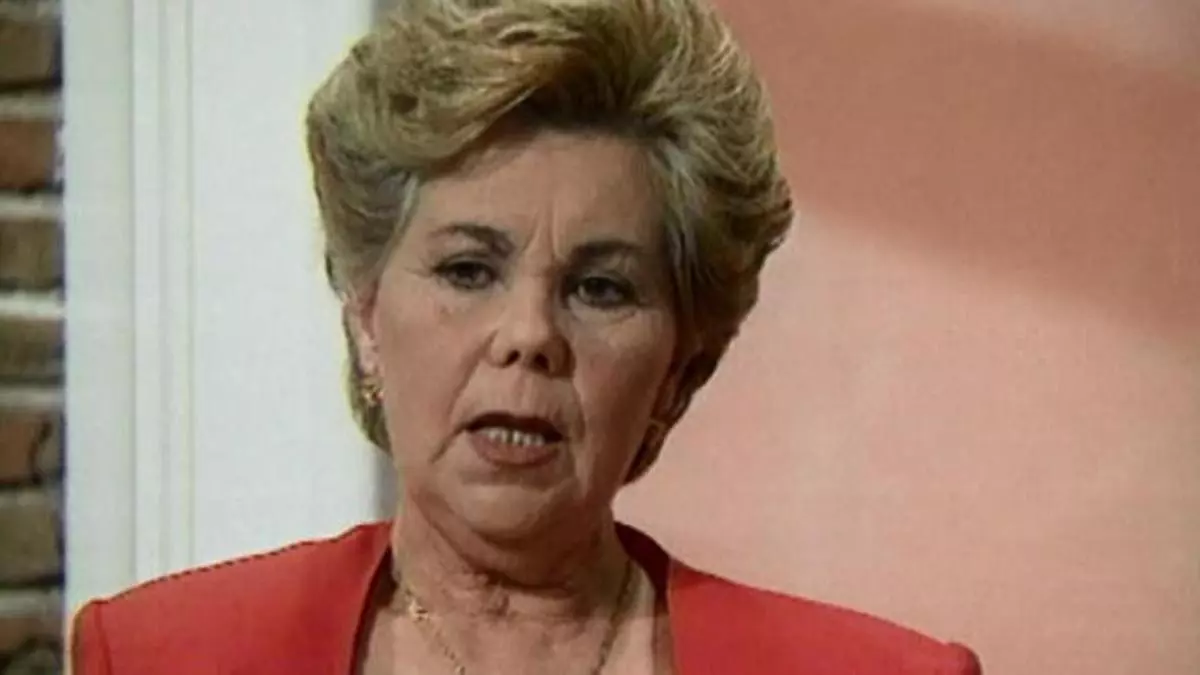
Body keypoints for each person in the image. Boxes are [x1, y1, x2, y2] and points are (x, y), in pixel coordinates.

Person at [71, 0, 982, 673]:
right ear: (367, 321)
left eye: (600, 288)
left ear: (678, 371)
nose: (530, 334)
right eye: (469, 270)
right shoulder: (161, 654)